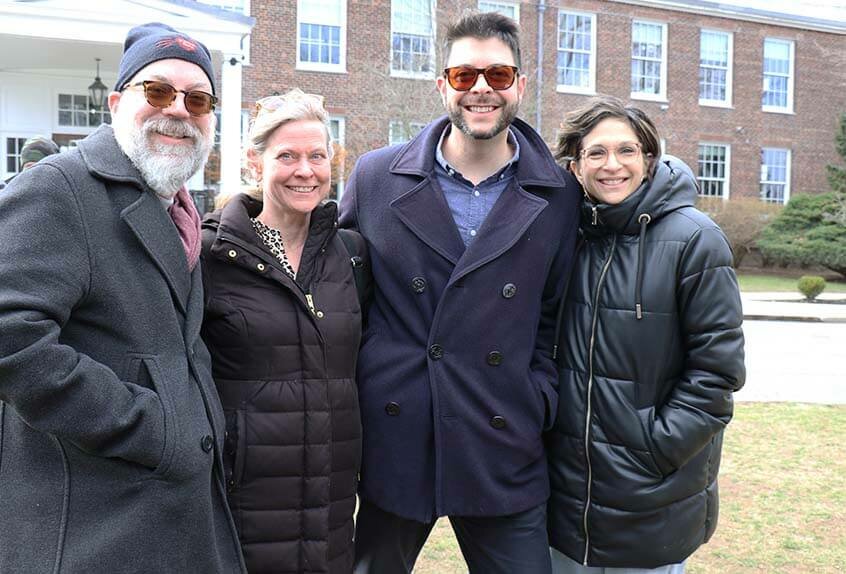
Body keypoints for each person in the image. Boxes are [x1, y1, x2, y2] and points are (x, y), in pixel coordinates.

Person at [340, 11, 580, 574]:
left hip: (502, 434)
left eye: (498, 76)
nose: (480, 89)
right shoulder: (376, 176)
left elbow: (555, 312)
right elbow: (344, 290)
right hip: (398, 431)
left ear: (520, 86)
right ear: (441, 84)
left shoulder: (561, 193)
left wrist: (536, 395)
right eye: (464, 74)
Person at [0, 22, 246, 572]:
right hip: (95, 523)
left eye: (199, 99)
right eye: (158, 92)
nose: (179, 110)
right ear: (115, 102)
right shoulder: (60, 187)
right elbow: (9, 336)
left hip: (166, 510)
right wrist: (152, 426)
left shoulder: (176, 206)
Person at [546, 95, 746, 573]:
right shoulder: (562, 237)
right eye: (596, 153)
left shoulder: (695, 240)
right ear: (575, 167)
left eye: (627, 151)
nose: (612, 165)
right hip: (562, 500)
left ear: (649, 159)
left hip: (649, 499)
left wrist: (653, 448)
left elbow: (717, 374)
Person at [200, 89, 365, 574]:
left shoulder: (351, 255)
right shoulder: (210, 257)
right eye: (287, 156)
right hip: (244, 497)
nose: (305, 171)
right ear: (256, 162)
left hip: (331, 504)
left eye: (317, 156)